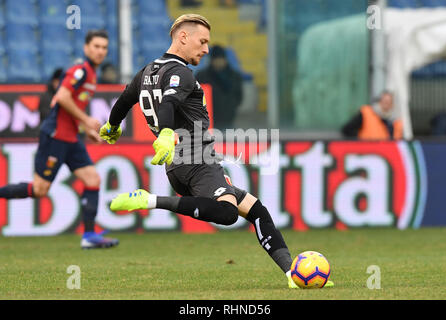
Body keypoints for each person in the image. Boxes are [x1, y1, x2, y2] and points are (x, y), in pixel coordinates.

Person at [99, 14, 333, 288]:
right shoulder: (181, 73)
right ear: (183, 37)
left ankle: (291, 274)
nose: (206, 49)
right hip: (197, 161)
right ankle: (149, 200)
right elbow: (169, 105)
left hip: (179, 164)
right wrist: (165, 132)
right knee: (227, 213)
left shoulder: (147, 71)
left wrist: (112, 125)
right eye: (203, 41)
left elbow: (126, 99)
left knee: (256, 210)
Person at [0, 30, 119, 249]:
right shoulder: (79, 71)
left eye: (104, 47)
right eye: (96, 46)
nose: (100, 51)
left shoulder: (92, 75)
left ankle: (89, 236)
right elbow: (62, 97)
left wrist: (85, 128)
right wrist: (86, 119)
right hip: (55, 136)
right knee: (39, 190)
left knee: (93, 179)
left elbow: (71, 107)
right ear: (86, 48)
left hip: (71, 138)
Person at [196, 45, 243, 130]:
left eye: (220, 59)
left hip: (228, 119)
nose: (218, 62)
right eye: (216, 59)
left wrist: (231, 107)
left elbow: (239, 96)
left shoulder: (235, 76)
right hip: (208, 121)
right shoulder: (202, 76)